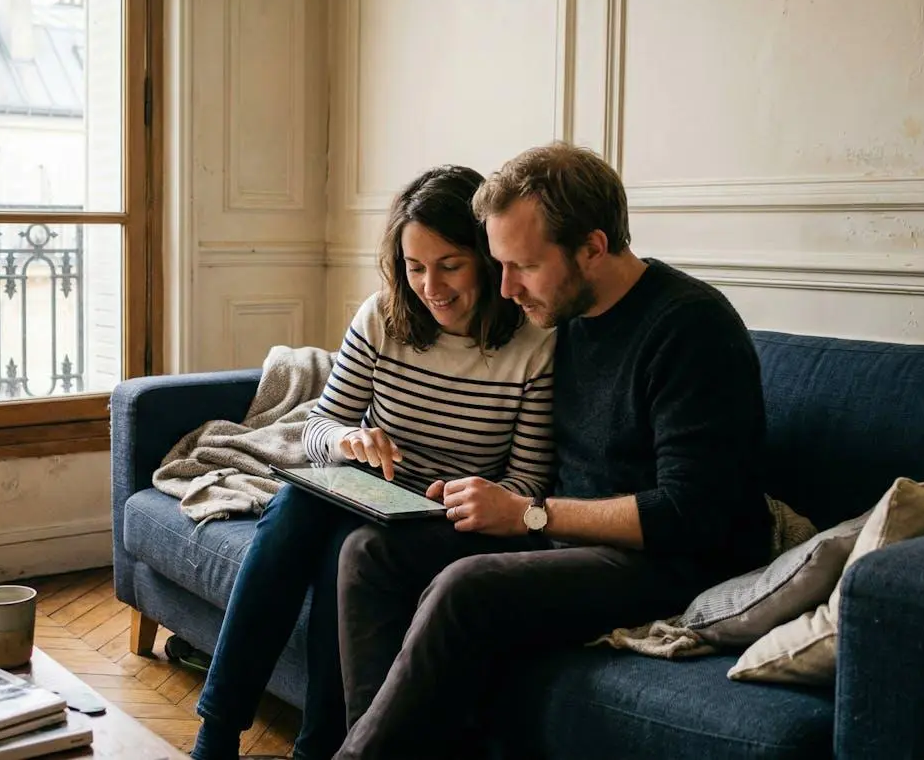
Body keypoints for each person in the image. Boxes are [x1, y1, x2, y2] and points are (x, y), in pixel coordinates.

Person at [332, 142, 775, 760]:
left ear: (592, 247)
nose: (506, 287)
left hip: (672, 559)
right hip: (568, 541)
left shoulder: (691, 327)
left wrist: (529, 514)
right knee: (370, 552)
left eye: (524, 266)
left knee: (467, 588)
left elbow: (692, 512)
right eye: (500, 264)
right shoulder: (564, 316)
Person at [189, 164, 557, 760]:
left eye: (450, 265)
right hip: (369, 493)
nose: (431, 287)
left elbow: (529, 481)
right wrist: (348, 442)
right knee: (295, 507)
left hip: (446, 521)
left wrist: (470, 494)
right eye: (415, 267)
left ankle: (316, 747)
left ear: (487, 258)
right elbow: (318, 428)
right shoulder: (383, 317)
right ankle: (218, 730)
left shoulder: (534, 345)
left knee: (345, 550)